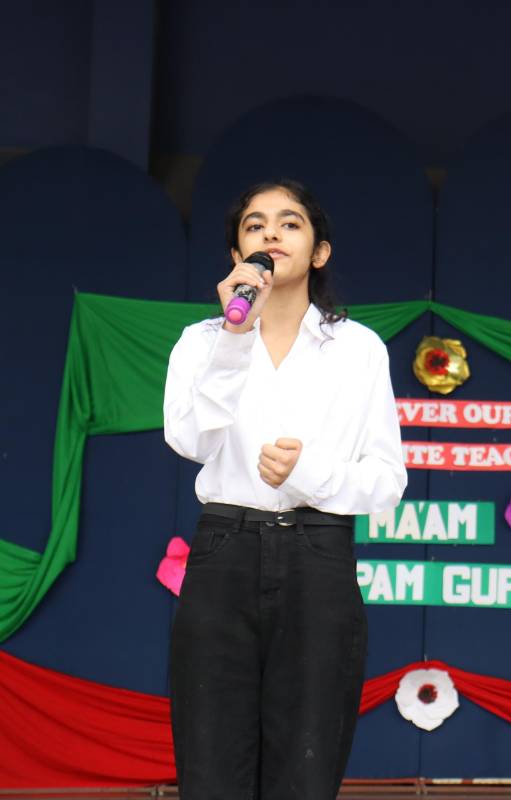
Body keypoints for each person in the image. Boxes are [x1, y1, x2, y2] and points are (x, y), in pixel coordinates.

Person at [164, 179, 408, 799]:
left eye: (290, 222)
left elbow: (386, 482)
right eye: (255, 224)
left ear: (319, 251)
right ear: (237, 256)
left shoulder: (358, 349)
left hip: (317, 554)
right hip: (225, 549)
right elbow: (189, 440)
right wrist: (234, 338)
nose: (271, 232)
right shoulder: (201, 342)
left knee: (306, 763)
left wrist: (310, 474)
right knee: (211, 762)